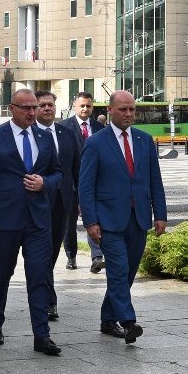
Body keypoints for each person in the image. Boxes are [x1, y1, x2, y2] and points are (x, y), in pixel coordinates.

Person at [77, 89, 166, 344]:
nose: (128, 114)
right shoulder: (95, 143)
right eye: (123, 109)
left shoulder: (144, 140)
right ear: (110, 110)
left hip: (138, 218)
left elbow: (154, 181)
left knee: (127, 273)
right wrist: (91, 221)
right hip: (108, 220)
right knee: (118, 270)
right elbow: (85, 186)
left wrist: (160, 214)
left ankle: (107, 318)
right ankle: (128, 322)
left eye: (132, 110)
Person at [0, 88, 62, 355]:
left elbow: (59, 174)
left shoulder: (44, 137)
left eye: (34, 107)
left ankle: (42, 335)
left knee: (38, 275)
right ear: (12, 108)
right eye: (25, 108)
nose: (31, 112)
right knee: (2, 273)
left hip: (37, 221)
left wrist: (44, 183)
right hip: (5, 220)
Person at [34, 89, 81, 322]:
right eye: (42, 105)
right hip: (35, 202)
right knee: (41, 252)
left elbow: (76, 168)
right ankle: (48, 300)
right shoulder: (29, 133)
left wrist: (79, 199)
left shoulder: (67, 133)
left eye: (50, 104)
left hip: (63, 202)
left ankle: (45, 291)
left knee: (52, 252)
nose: (47, 108)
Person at [57, 90, 104, 272]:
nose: (85, 109)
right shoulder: (64, 127)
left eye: (88, 106)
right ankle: (71, 256)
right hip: (71, 185)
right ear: (75, 106)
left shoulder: (100, 128)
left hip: (94, 184)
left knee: (94, 219)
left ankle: (97, 257)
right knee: (69, 224)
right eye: (82, 105)